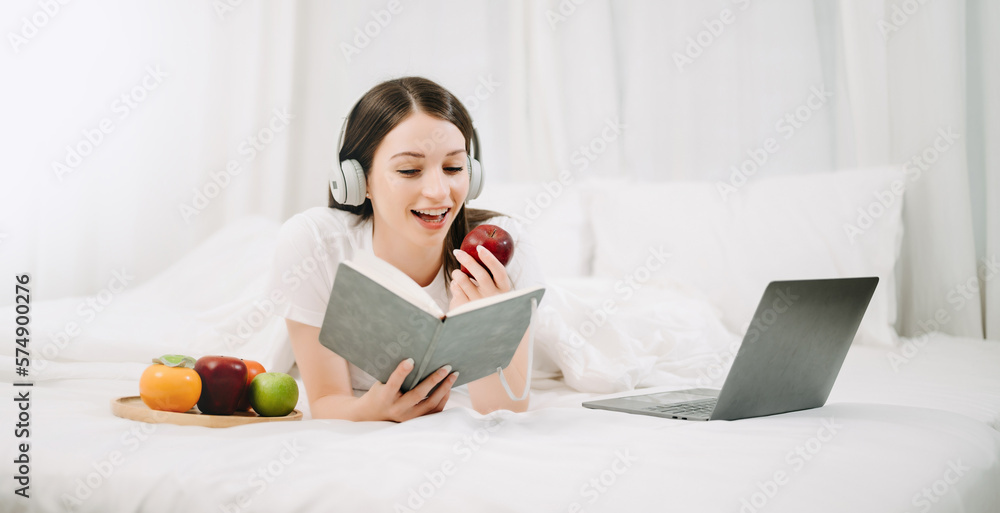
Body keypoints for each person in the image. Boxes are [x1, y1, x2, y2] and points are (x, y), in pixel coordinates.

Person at [269, 76, 546, 422]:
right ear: (358, 181)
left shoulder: (508, 247)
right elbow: (326, 399)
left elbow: (503, 412)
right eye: (409, 170)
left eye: (454, 168)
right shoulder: (313, 244)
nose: (439, 191)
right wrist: (369, 411)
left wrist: (489, 324)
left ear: (473, 176)